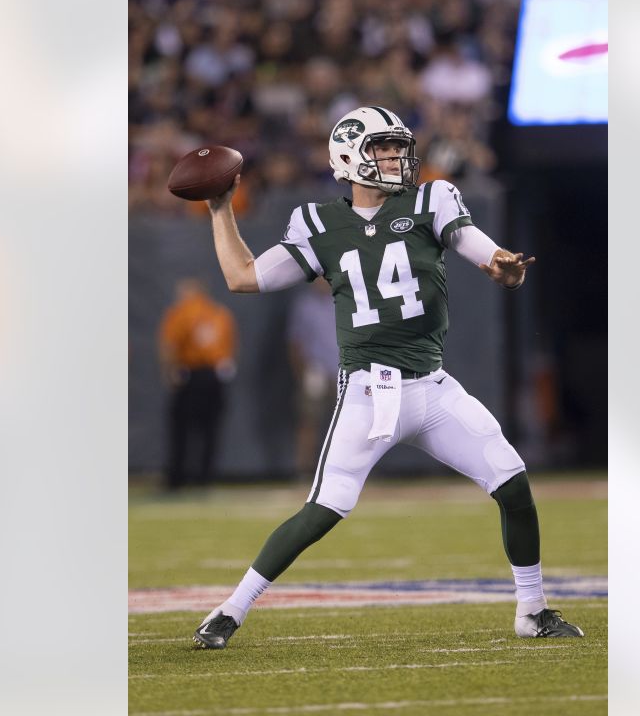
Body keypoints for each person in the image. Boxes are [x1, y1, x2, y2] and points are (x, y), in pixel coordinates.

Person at [192, 106, 581, 649]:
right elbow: (242, 277)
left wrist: (502, 265)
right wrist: (220, 209)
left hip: (433, 386)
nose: (397, 156)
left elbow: (480, 248)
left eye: (398, 146)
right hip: (369, 393)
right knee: (325, 508)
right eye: (382, 148)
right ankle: (229, 611)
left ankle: (532, 610)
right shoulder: (319, 222)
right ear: (351, 158)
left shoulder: (431, 200)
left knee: (513, 482)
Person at [158, 278, 237, 492]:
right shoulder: (220, 313)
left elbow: (169, 345)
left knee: (182, 430)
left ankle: (177, 478)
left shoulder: (181, 313)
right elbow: (228, 348)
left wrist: (169, 371)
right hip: (214, 376)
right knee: (210, 430)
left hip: (189, 374)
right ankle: (204, 478)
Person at [287, 278, 341, 478]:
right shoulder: (304, 305)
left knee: (348, 423)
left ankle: (345, 470)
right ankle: (304, 470)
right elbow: (295, 342)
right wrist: (302, 374)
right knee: (309, 422)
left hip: (342, 371)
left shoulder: (342, 302)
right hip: (315, 370)